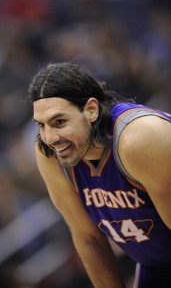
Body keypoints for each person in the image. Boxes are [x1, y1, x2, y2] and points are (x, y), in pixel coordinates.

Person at [25, 62, 171, 288]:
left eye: (59, 122)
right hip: (157, 263)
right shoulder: (50, 152)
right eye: (41, 125)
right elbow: (88, 239)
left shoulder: (140, 138)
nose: (50, 137)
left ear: (91, 110)